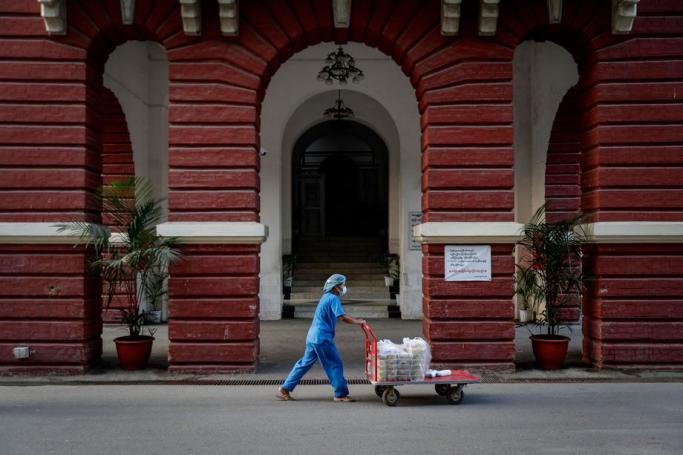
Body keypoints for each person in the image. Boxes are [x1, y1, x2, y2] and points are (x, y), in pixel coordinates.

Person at [277, 273, 366, 402]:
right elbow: (342, 317)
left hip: (312, 336)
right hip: (322, 337)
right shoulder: (333, 299)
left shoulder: (325, 297)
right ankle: (340, 394)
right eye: (343, 284)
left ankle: (285, 388)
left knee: (304, 363)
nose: (344, 287)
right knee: (334, 364)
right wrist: (359, 322)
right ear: (336, 287)